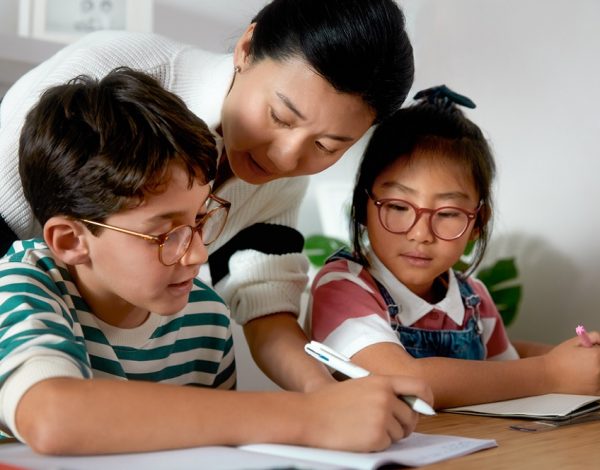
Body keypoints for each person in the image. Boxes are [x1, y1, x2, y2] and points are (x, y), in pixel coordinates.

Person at [0, 68, 430, 455]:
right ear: (71, 240)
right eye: (164, 233)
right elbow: (53, 417)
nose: (199, 253)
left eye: (201, 218)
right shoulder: (21, 287)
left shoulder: (203, 316)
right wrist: (311, 416)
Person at [0, 0, 415, 394]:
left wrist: (323, 394)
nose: (286, 157)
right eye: (279, 117)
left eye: (326, 146)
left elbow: (264, 301)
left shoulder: (205, 322)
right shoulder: (103, 81)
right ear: (247, 49)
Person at [309, 85, 600, 409]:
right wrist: (550, 372)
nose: (421, 233)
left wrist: (577, 363)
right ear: (364, 206)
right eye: (399, 207)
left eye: (447, 213)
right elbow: (403, 379)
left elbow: (503, 372)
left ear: (477, 223)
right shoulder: (344, 287)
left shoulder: (473, 300)